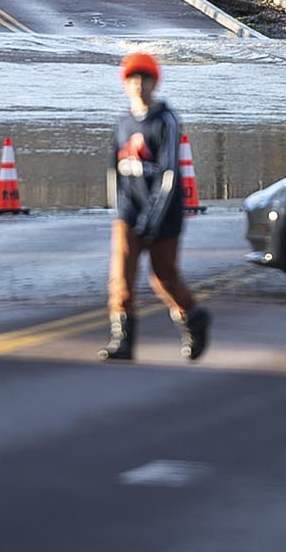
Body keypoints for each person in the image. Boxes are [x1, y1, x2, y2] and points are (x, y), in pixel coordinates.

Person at [100, 50, 211, 363]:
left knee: (163, 277)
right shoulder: (122, 122)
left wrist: (153, 216)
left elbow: (170, 173)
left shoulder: (166, 120)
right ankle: (122, 341)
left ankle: (194, 319)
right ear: (125, 83)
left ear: (155, 82)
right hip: (128, 211)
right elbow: (113, 169)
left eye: (145, 78)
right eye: (133, 78)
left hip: (164, 213)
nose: (139, 85)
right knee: (121, 276)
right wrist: (117, 209)